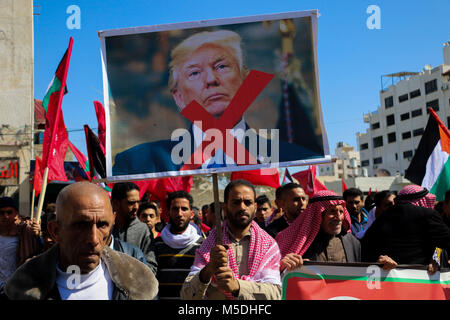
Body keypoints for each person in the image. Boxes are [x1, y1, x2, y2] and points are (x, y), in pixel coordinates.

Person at [112, 30, 320, 175]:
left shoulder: (296, 159)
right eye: (194, 73)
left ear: (245, 80)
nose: (211, 80)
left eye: (221, 66)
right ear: (178, 97)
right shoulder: (136, 164)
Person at [3, 182, 158, 300]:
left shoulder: (140, 284)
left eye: (103, 225)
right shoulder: (21, 289)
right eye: (81, 225)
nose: (93, 239)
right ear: (56, 231)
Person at [181, 179, 282, 300]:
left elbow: (275, 294)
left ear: (255, 207)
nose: (242, 207)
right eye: (236, 202)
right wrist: (209, 269)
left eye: (248, 202)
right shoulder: (210, 245)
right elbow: (187, 296)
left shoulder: (268, 245)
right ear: (224, 207)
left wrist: (237, 287)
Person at [276, 190, 397, 272]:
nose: (339, 217)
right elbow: (275, 276)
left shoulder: (352, 242)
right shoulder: (295, 240)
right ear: (317, 215)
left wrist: (384, 265)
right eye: (332, 212)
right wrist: (285, 267)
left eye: (340, 212)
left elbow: (365, 273)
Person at [361, 185, 450, 267]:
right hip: (420, 277)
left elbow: (366, 247)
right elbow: (445, 242)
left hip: (389, 277)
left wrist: (380, 260)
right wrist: (437, 259)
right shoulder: (427, 214)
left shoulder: (384, 216)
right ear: (422, 200)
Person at [154, 191, 204, 299]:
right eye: (175, 209)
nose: (179, 214)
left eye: (184, 209)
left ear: (191, 214)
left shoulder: (202, 244)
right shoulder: (157, 244)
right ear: (168, 213)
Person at [111, 182, 157, 275]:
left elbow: (151, 268)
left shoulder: (143, 230)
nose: (136, 207)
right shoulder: (106, 229)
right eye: (131, 203)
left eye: (138, 202)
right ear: (116, 203)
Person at [0, 197, 41, 293]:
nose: (5, 216)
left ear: (16, 214)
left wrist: (38, 234)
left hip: (17, 288)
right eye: (1, 213)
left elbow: (41, 252)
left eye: (9, 212)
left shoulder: (25, 232)